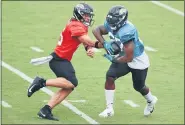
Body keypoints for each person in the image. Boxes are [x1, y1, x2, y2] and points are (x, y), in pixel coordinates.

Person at [27, 3, 103, 121]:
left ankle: (45, 110)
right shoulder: (75, 25)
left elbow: (83, 40)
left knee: (69, 87)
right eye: (86, 15)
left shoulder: (79, 24)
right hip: (59, 60)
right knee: (72, 82)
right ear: (79, 14)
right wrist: (105, 45)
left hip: (62, 59)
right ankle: (41, 82)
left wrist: (88, 49)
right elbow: (88, 40)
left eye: (89, 15)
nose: (88, 18)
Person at [92, 5, 158, 117]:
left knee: (139, 87)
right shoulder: (111, 23)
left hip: (137, 60)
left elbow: (129, 58)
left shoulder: (127, 31)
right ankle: (109, 109)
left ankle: (151, 100)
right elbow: (96, 30)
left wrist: (113, 59)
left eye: (113, 22)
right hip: (124, 55)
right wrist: (104, 43)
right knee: (110, 76)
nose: (110, 25)